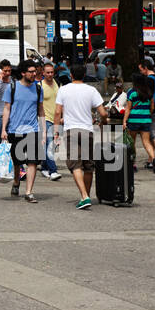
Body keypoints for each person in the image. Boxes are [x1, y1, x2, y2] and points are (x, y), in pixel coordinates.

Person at [53, 72, 106, 209]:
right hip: (87, 131)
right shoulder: (91, 90)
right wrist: (102, 122)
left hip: (71, 131)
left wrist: (56, 131)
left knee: (75, 164)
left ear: (71, 75)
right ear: (84, 76)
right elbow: (103, 113)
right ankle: (85, 195)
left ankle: (84, 196)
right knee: (88, 166)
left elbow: (58, 112)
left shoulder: (63, 90)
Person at [3, 60, 44, 202]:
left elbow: (41, 110)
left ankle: (29, 192)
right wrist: (4, 129)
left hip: (33, 129)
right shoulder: (12, 87)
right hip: (15, 129)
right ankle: (16, 181)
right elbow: (7, 108)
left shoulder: (38, 88)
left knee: (32, 162)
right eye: (31, 72)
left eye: (35, 71)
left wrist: (43, 130)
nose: (34, 74)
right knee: (17, 161)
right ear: (23, 73)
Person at [123, 73, 155, 174]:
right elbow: (152, 107)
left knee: (132, 143)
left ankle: (133, 164)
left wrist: (124, 121)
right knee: (146, 142)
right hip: (146, 120)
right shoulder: (148, 92)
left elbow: (128, 108)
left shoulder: (131, 92)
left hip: (133, 120)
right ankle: (153, 159)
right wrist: (147, 114)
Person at [38, 62, 62, 181]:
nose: (50, 74)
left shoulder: (56, 83)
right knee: (49, 144)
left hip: (56, 119)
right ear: (43, 73)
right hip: (45, 119)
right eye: (47, 72)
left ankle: (44, 167)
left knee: (53, 145)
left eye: (52, 72)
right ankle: (53, 171)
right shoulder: (39, 86)